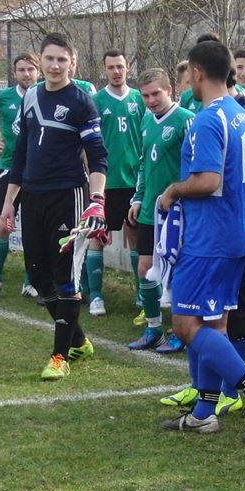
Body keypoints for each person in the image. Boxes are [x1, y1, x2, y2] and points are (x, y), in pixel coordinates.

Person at [156, 38, 245, 440]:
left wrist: (173, 190)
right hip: (238, 230)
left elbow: (208, 181)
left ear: (197, 72)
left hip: (209, 237)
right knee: (215, 323)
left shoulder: (208, 120)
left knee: (185, 324)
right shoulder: (243, 116)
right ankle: (204, 412)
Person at [0, 33, 108, 380]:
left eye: (62, 59)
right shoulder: (31, 96)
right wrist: (9, 202)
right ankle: (79, 341)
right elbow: (21, 153)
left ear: (72, 63)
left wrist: (97, 201)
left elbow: (98, 157)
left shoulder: (82, 103)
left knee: (65, 278)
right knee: (39, 275)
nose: (55, 66)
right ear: (41, 61)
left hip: (67, 196)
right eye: (50, 59)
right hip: (32, 196)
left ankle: (60, 357)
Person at [129, 68, 192, 350]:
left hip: (177, 210)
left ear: (170, 90)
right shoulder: (145, 120)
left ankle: (180, 331)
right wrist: (138, 198)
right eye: (145, 96)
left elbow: (196, 167)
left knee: (177, 272)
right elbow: (144, 163)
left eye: (156, 93)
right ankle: (154, 328)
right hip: (149, 210)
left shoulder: (186, 120)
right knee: (145, 268)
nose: (151, 100)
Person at [0, 52, 40, 298]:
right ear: (15, 73)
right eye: (21, 70)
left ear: (38, 71)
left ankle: (30, 282)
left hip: (37, 172)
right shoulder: (3, 96)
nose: (26, 74)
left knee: (33, 230)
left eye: (30, 69)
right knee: (2, 225)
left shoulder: (44, 95)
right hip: (9, 169)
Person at [89, 49, 146, 317]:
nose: (116, 71)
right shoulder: (96, 101)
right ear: (105, 70)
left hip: (134, 181)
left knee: (135, 235)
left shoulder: (139, 99)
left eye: (120, 66)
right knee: (97, 236)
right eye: (111, 67)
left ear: (127, 68)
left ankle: (141, 292)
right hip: (106, 182)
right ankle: (96, 295)